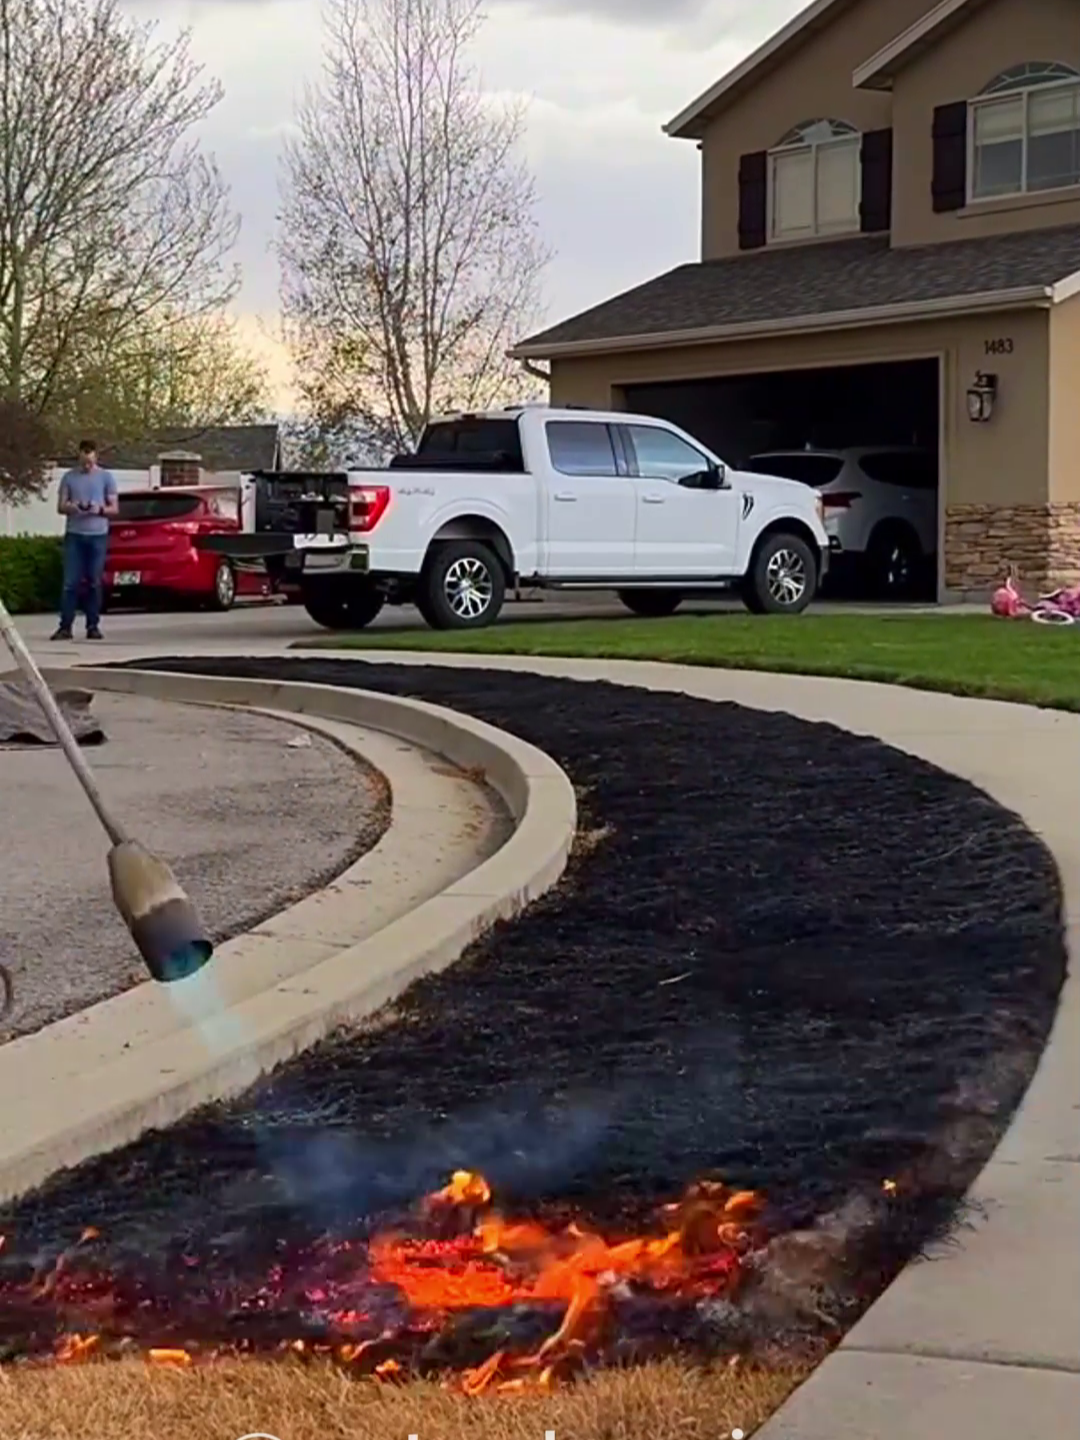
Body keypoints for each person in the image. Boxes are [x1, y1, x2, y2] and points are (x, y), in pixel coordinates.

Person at [51, 440, 119, 641]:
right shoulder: (69, 477)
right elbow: (61, 506)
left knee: (93, 582)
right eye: (84, 461)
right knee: (70, 583)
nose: (87, 465)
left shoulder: (106, 477)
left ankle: (93, 626)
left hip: (97, 535)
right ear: (79, 456)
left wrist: (98, 509)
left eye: (90, 461)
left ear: (96, 457)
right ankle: (65, 627)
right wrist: (74, 506)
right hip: (75, 535)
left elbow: (114, 508)